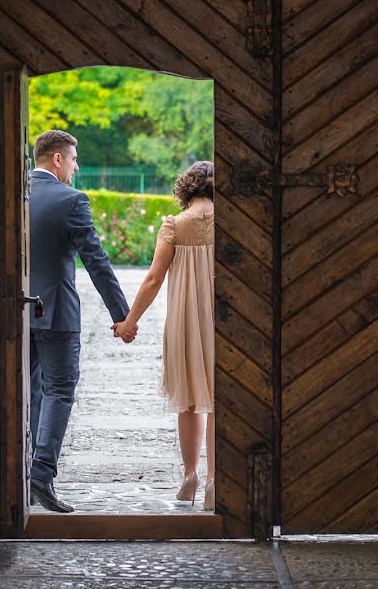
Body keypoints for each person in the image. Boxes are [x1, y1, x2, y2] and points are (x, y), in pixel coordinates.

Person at [28, 129, 137, 513]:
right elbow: (95, 260)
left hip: (16, 312)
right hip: (56, 313)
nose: (75, 168)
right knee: (59, 390)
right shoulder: (71, 200)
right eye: (73, 160)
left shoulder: (15, 193)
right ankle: (41, 473)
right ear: (57, 159)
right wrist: (123, 316)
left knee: (30, 391)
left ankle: (23, 474)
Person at [113, 161, 215, 510]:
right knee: (220, 402)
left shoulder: (174, 225)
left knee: (188, 400)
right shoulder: (229, 223)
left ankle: (190, 476)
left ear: (186, 189)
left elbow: (154, 279)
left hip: (185, 323)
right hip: (222, 322)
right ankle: (217, 480)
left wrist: (128, 323)